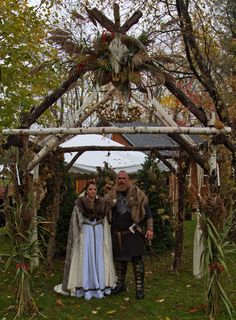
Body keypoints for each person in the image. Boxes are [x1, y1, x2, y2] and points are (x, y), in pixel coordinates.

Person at [54, 181, 116, 300]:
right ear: (86, 190)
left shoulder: (102, 203)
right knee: (86, 257)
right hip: (85, 232)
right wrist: (78, 235)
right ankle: (86, 286)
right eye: (91, 189)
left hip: (98, 232)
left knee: (98, 257)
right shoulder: (80, 204)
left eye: (95, 189)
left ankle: (100, 284)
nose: (93, 191)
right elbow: (75, 221)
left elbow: (106, 220)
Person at [106, 170, 154, 300]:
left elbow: (148, 214)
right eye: (119, 178)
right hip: (118, 235)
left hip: (133, 232)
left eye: (123, 178)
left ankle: (139, 288)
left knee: (137, 261)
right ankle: (121, 285)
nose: (121, 180)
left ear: (128, 180)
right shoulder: (111, 195)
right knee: (120, 262)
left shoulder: (138, 194)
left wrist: (150, 229)